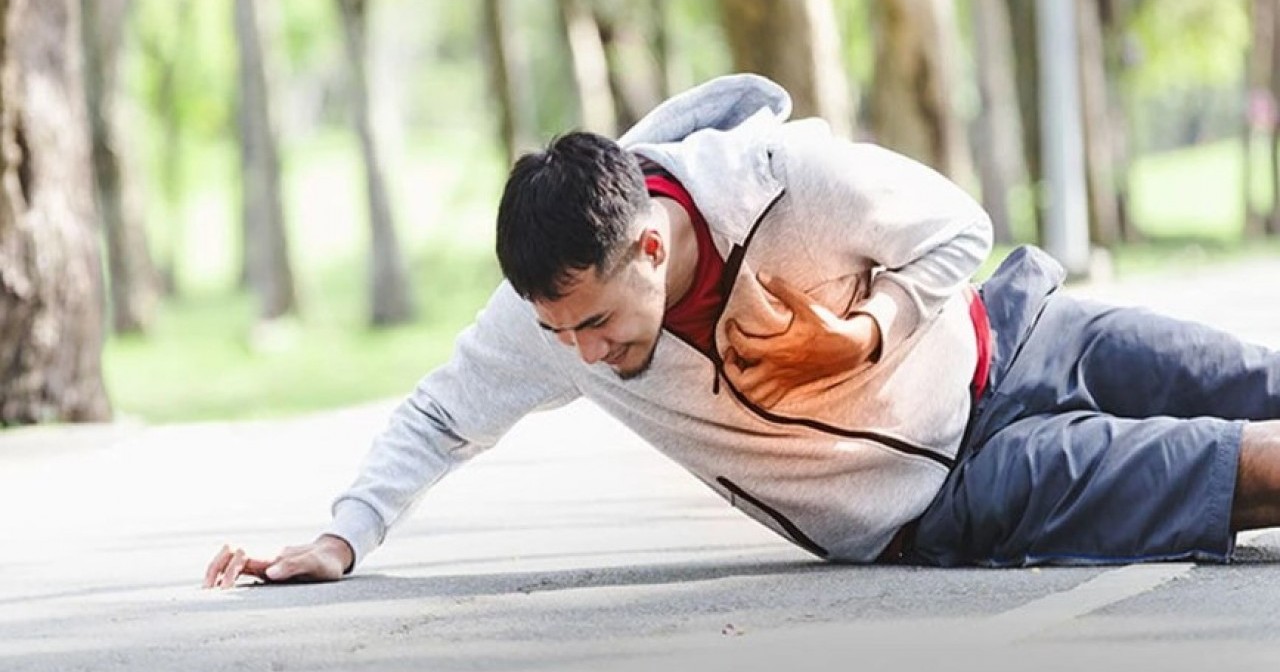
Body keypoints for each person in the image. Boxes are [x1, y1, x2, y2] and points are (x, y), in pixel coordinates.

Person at [205, 74, 1280, 589]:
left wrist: (864, 334)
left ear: (648, 250)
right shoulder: (547, 319)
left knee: (1254, 379)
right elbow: (441, 417)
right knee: (1250, 466)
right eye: (553, 331)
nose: (576, 352)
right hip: (949, 490)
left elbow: (958, 226)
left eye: (589, 324)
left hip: (1018, 335)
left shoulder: (786, 181)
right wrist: (341, 536)